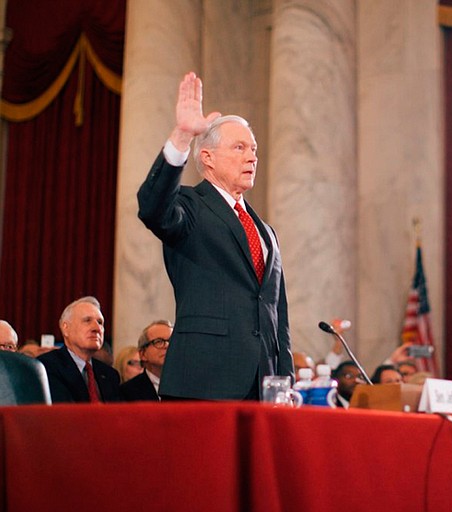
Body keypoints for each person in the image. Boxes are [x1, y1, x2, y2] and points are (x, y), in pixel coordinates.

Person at [137, 72, 293, 400]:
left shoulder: (265, 231)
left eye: (253, 149)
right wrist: (182, 136)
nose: (252, 156)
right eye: (239, 147)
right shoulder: (191, 206)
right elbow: (152, 208)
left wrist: (284, 380)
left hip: (263, 388)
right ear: (207, 158)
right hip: (204, 382)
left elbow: (277, 314)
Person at [37, 297, 121, 403]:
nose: (97, 328)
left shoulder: (110, 375)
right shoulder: (46, 367)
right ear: (65, 328)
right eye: (87, 320)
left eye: (100, 322)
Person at [120, 320, 173, 401]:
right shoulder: (127, 391)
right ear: (143, 354)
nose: (167, 345)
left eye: (171, 341)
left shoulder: (189, 386)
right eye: (159, 341)